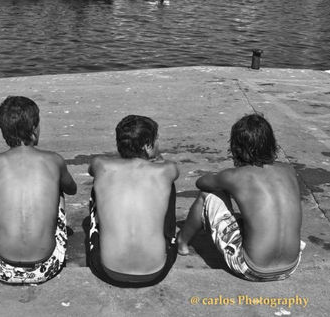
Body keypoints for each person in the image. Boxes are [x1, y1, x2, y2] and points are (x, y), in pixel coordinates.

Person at [177, 113, 305, 281]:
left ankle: (182, 242)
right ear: (271, 144)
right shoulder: (288, 170)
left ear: (236, 148)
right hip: (290, 266)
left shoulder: (235, 176)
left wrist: (226, 184)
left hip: (252, 268)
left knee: (207, 195)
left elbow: (201, 183)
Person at [0, 96, 77, 284]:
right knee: (57, 189)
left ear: (3, 131)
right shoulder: (53, 160)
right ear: (34, 128)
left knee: (1, 196)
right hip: (46, 267)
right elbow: (72, 189)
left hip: (0, 267)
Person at [86, 115, 179, 287]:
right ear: (147, 145)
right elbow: (163, 165)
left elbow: (91, 170)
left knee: (98, 185)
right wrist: (155, 158)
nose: (158, 143)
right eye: (156, 140)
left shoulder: (101, 165)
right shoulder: (168, 169)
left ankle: (103, 231)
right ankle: (169, 237)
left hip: (107, 270)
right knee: (166, 186)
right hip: (156, 272)